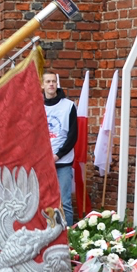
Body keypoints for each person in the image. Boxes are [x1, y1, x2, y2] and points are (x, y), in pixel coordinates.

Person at [42, 72, 77, 226]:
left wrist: (58, 155)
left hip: (63, 162)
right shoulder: (37, 106)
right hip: (42, 163)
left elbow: (73, 135)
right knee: (43, 202)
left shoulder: (68, 106)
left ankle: (70, 237)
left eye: (54, 81)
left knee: (65, 202)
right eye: (48, 81)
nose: (51, 84)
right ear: (42, 85)